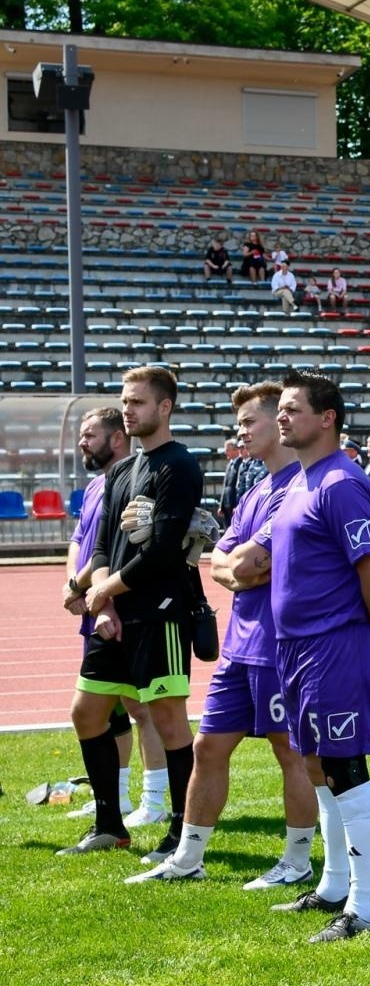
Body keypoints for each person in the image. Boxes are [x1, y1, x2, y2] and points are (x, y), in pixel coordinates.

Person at [124, 382, 321, 889]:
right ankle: (189, 856)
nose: (242, 431)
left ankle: (297, 861)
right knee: (209, 747)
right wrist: (236, 566)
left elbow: (251, 563)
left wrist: (237, 565)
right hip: (241, 645)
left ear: (279, 421)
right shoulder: (257, 488)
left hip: (281, 645)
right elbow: (223, 563)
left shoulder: (298, 488)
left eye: (250, 421)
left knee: (290, 754)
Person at [251, 369, 370, 943]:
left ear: (327, 418)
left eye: (292, 409)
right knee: (316, 766)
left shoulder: (342, 484)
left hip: (335, 646)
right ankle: (333, 885)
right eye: (278, 409)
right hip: (295, 648)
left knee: (345, 769)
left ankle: (363, 906)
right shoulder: (301, 483)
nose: (281, 417)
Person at [61, 366, 205, 862]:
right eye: (125, 401)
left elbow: (164, 551)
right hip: (116, 615)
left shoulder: (179, 466)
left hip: (160, 614)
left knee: (167, 721)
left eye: (138, 402)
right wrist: (101, 595)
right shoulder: (120, 471)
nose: (129, 409)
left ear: (164, 408)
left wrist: (103, 595)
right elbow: (102, 547)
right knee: (86, 713)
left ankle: (182, 835)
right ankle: (109, 825)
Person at [61, 407, 170, 829]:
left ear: (117, 438)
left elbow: (116, 549)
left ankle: (155, 799)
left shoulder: (133, 484)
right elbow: (80, 540)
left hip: (122, 607)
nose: (82, 442)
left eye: (90, 435)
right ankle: (118, 796)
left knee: (145, 708)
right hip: (96, 601)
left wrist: (85, 589)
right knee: (112, 709)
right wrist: (74, 582)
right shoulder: (93, 487)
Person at [219, 438, 268, 530]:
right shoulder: (242, 465)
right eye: (239, 448)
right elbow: (233, 486)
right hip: (232, 502)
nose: (240, 450)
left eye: (243, 447)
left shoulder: (253, 464)